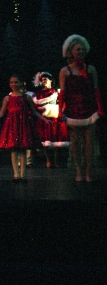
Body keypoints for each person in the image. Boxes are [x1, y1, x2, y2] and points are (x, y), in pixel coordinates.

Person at [0, 75, 48, 182]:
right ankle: (16, 174)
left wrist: (45, 119)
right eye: (11, 82)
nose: (13, 84)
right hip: (12, 124)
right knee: (14, 150)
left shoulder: (26, 97)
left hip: (23, 124)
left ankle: (22, 175)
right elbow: (1, 113)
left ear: (21, 83)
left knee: (22, 149)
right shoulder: (7, 98)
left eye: (16, 82)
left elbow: (34, 112)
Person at [59, 34, 103, 182]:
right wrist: (60, 111)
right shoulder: (65, 71)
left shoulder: (91, 69)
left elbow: (96, 89)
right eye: (78, 49)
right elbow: (63, 93)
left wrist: (100, 108)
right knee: (76, 142)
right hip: (73, 110)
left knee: (90, 141)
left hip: (89, 108)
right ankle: (79, 170)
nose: (81, 52)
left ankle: (89, 171)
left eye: (83, 49)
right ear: (71, 51)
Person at [31, 72, 69, 168]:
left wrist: (61, 111)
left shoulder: (56, 92)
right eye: (42, 79)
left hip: (56, 118)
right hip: (45, 118)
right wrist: (42, 109)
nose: (44, 81)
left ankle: (57, 161)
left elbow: (63, 103)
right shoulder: (38, 94)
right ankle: (49, 161)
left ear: (51, 80)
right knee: (46, 142)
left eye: (46, 79)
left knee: (57, 141)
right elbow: (35, 106)